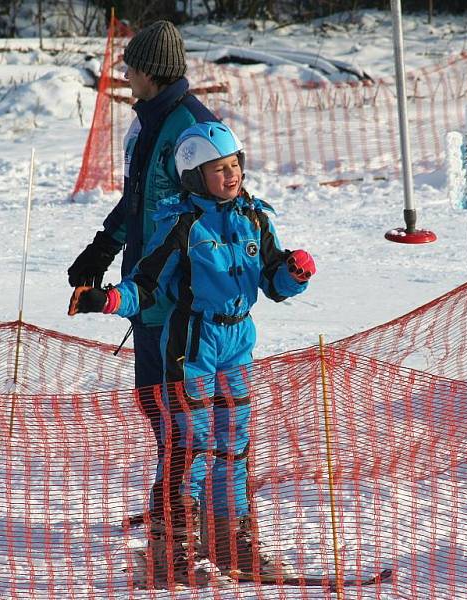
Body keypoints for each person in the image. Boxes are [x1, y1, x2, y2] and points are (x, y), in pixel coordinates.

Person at [68, 121, 316, 588]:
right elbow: (145, 284)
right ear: (194, 175)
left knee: (233, 442)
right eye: (218, 169)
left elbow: (272, 279)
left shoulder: (255, 218)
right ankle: (172, 548)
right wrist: (108, 299)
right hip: (192, 342)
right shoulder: (180, 223)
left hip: (239, 339)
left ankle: (230, 544)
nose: (231, 176)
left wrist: (293, 274)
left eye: (235, 165)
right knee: (191, 443)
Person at [67, 20, 218, 459]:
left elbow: (221, 213)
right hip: (145, 290)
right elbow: (138, 199)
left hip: (181, 297)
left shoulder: (194, 129)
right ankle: (172, 504)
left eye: (131, 68)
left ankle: (198, 508)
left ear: (150, 73)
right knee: (154, 400)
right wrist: (103, 247)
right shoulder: (144, 126)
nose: (126, 75)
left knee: (184, 409)